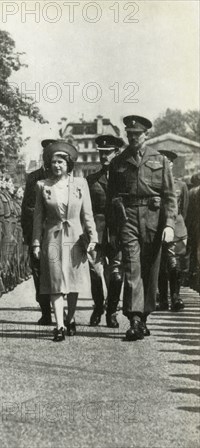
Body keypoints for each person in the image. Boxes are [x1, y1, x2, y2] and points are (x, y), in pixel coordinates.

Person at [106, 115, 177, 341]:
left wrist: (169, 224)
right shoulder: (118, 162)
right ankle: (134, 318)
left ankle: (144, 316)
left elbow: (169, 197)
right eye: (130, 135)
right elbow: (111, 197)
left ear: (146, 135)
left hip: (153, 219)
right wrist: (113, 230)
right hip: (127, 219)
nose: (133, 138)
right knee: (132, 267)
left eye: (137, 134)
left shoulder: (160, 160)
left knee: (150, 269)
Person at [32, 141, 97, 342]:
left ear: (68, 164)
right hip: (52, 238)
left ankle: (70, 318)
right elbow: (37, 217)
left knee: (73, 282)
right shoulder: (42, 186)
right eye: (53, 162)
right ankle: (59, 325)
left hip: (76, 238)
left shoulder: (80, 184)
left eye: (60, 162)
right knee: (55, 282)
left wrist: (93, 237)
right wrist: (35, 243)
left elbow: (88, 214)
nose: (56, 166)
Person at [86, 135, 124, 327]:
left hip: (117, 232)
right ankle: (98, 307)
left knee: (116, 273)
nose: (103, 156)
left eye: (107, 153)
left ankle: (111, 312)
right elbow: (86, 210)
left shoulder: (125, 179)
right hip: (97, 232)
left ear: (117, 153)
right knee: (95, 272)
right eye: (101, 153)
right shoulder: (91, 180)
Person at [21, 139, 55, 325]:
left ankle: (62, 311)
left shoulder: (64, 176)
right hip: (37, 232)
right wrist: (28, 234)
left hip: (56, 231)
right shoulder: (33, 178)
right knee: (38, 271)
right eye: (46, 155)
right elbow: (27, 207)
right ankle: (45, 311)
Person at [157, 150, 187, 311]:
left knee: (174, 262)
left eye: (168, 162)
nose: (165, 165)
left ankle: (175, 297)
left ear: (171, 165)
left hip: (176, 229)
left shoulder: (180, 185)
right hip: (156, 229)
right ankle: (162, 299)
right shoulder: (153, 184)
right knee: (161, 264)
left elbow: (184, 209)